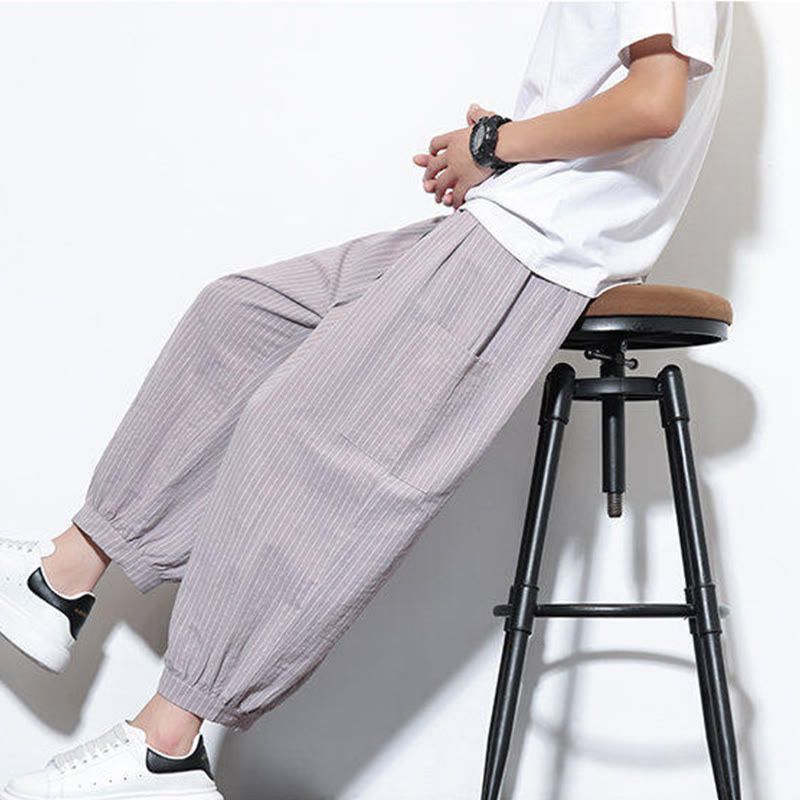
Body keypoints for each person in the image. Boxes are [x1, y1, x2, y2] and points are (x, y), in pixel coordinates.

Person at [0, 2, 732, 797]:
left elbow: (653, 104)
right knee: (240, 317)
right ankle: (60, 577)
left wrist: (497, 142)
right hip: (508, 222)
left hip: (538, 251)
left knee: (295, 435)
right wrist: (505, 153)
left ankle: (165, 748)